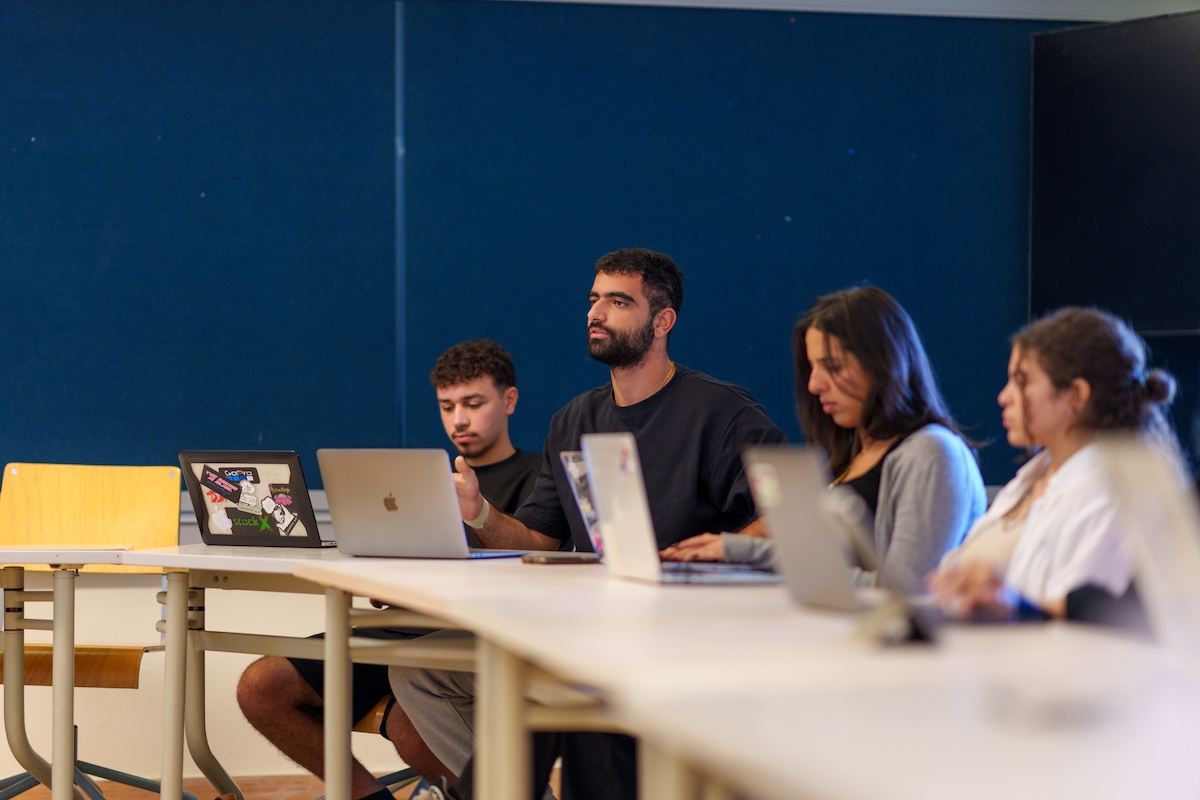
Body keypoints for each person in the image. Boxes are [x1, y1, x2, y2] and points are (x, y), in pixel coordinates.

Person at [388, 247, 786, 800]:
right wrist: (477, 512)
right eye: (594, 299)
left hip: (690, 632)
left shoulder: (723, 414)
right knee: (419, 670)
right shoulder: (573, 419)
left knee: (559, 680)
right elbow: (534, 539)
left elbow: (790, 518)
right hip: (592, 628)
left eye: (619, 301)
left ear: (662, 321)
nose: (596, 313)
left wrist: (723, 546)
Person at [235, 339, 541, 800]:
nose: (459, 419)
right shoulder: (420, 480)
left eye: (474, 404)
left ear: (509, 400)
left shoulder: (539, 478)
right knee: (261, 688)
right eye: (447, 406)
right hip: (402, 627)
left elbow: (539, 571)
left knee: (410, 726)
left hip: (468, 636)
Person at [662, 286, 985, 595]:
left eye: (832, 367)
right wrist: (733, 553)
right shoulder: (852, 454)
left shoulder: (932, 452)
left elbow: (905, 590)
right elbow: (818, 568)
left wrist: (740, 550)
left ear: (883, 363)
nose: (815, 384)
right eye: (812, 368)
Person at [929, 307, 1182, 620]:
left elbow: (1079, 622)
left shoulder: (1111, 492)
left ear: (1074, 395)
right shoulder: (1032, 478)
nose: (1004, 397)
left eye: (1021, 382)